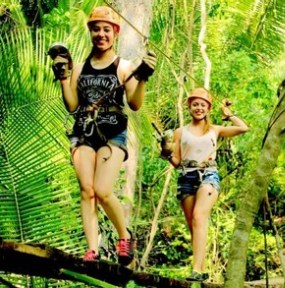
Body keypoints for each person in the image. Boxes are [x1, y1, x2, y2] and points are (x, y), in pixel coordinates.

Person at [51, 6, 156, 265]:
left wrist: (141, 78)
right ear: (91, 32)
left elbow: (134, 104)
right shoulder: (81, 68)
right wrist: (64, 78)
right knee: (87, 191)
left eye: (106, 30)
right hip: (84, 130)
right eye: (96, 29)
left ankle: (124, 235)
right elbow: (73, 105)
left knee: (102, 189)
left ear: (115, 33)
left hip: (113, 132)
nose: (101, 34)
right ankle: (92, 249)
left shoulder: (124, 67)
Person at [160, 88, 248, 282]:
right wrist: (167, 154)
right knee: (194, 224)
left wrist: (229, 114)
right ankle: (202, 267)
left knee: (200, 217)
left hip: (208, 175)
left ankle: (197, 271)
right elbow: (177, 162)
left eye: (202, 105)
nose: (198, 108)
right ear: (189, 107)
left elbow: (243, 128)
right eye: (195, 104)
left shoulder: (215, 130)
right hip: (186, 178)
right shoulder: (180, 132)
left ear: (208, 108)